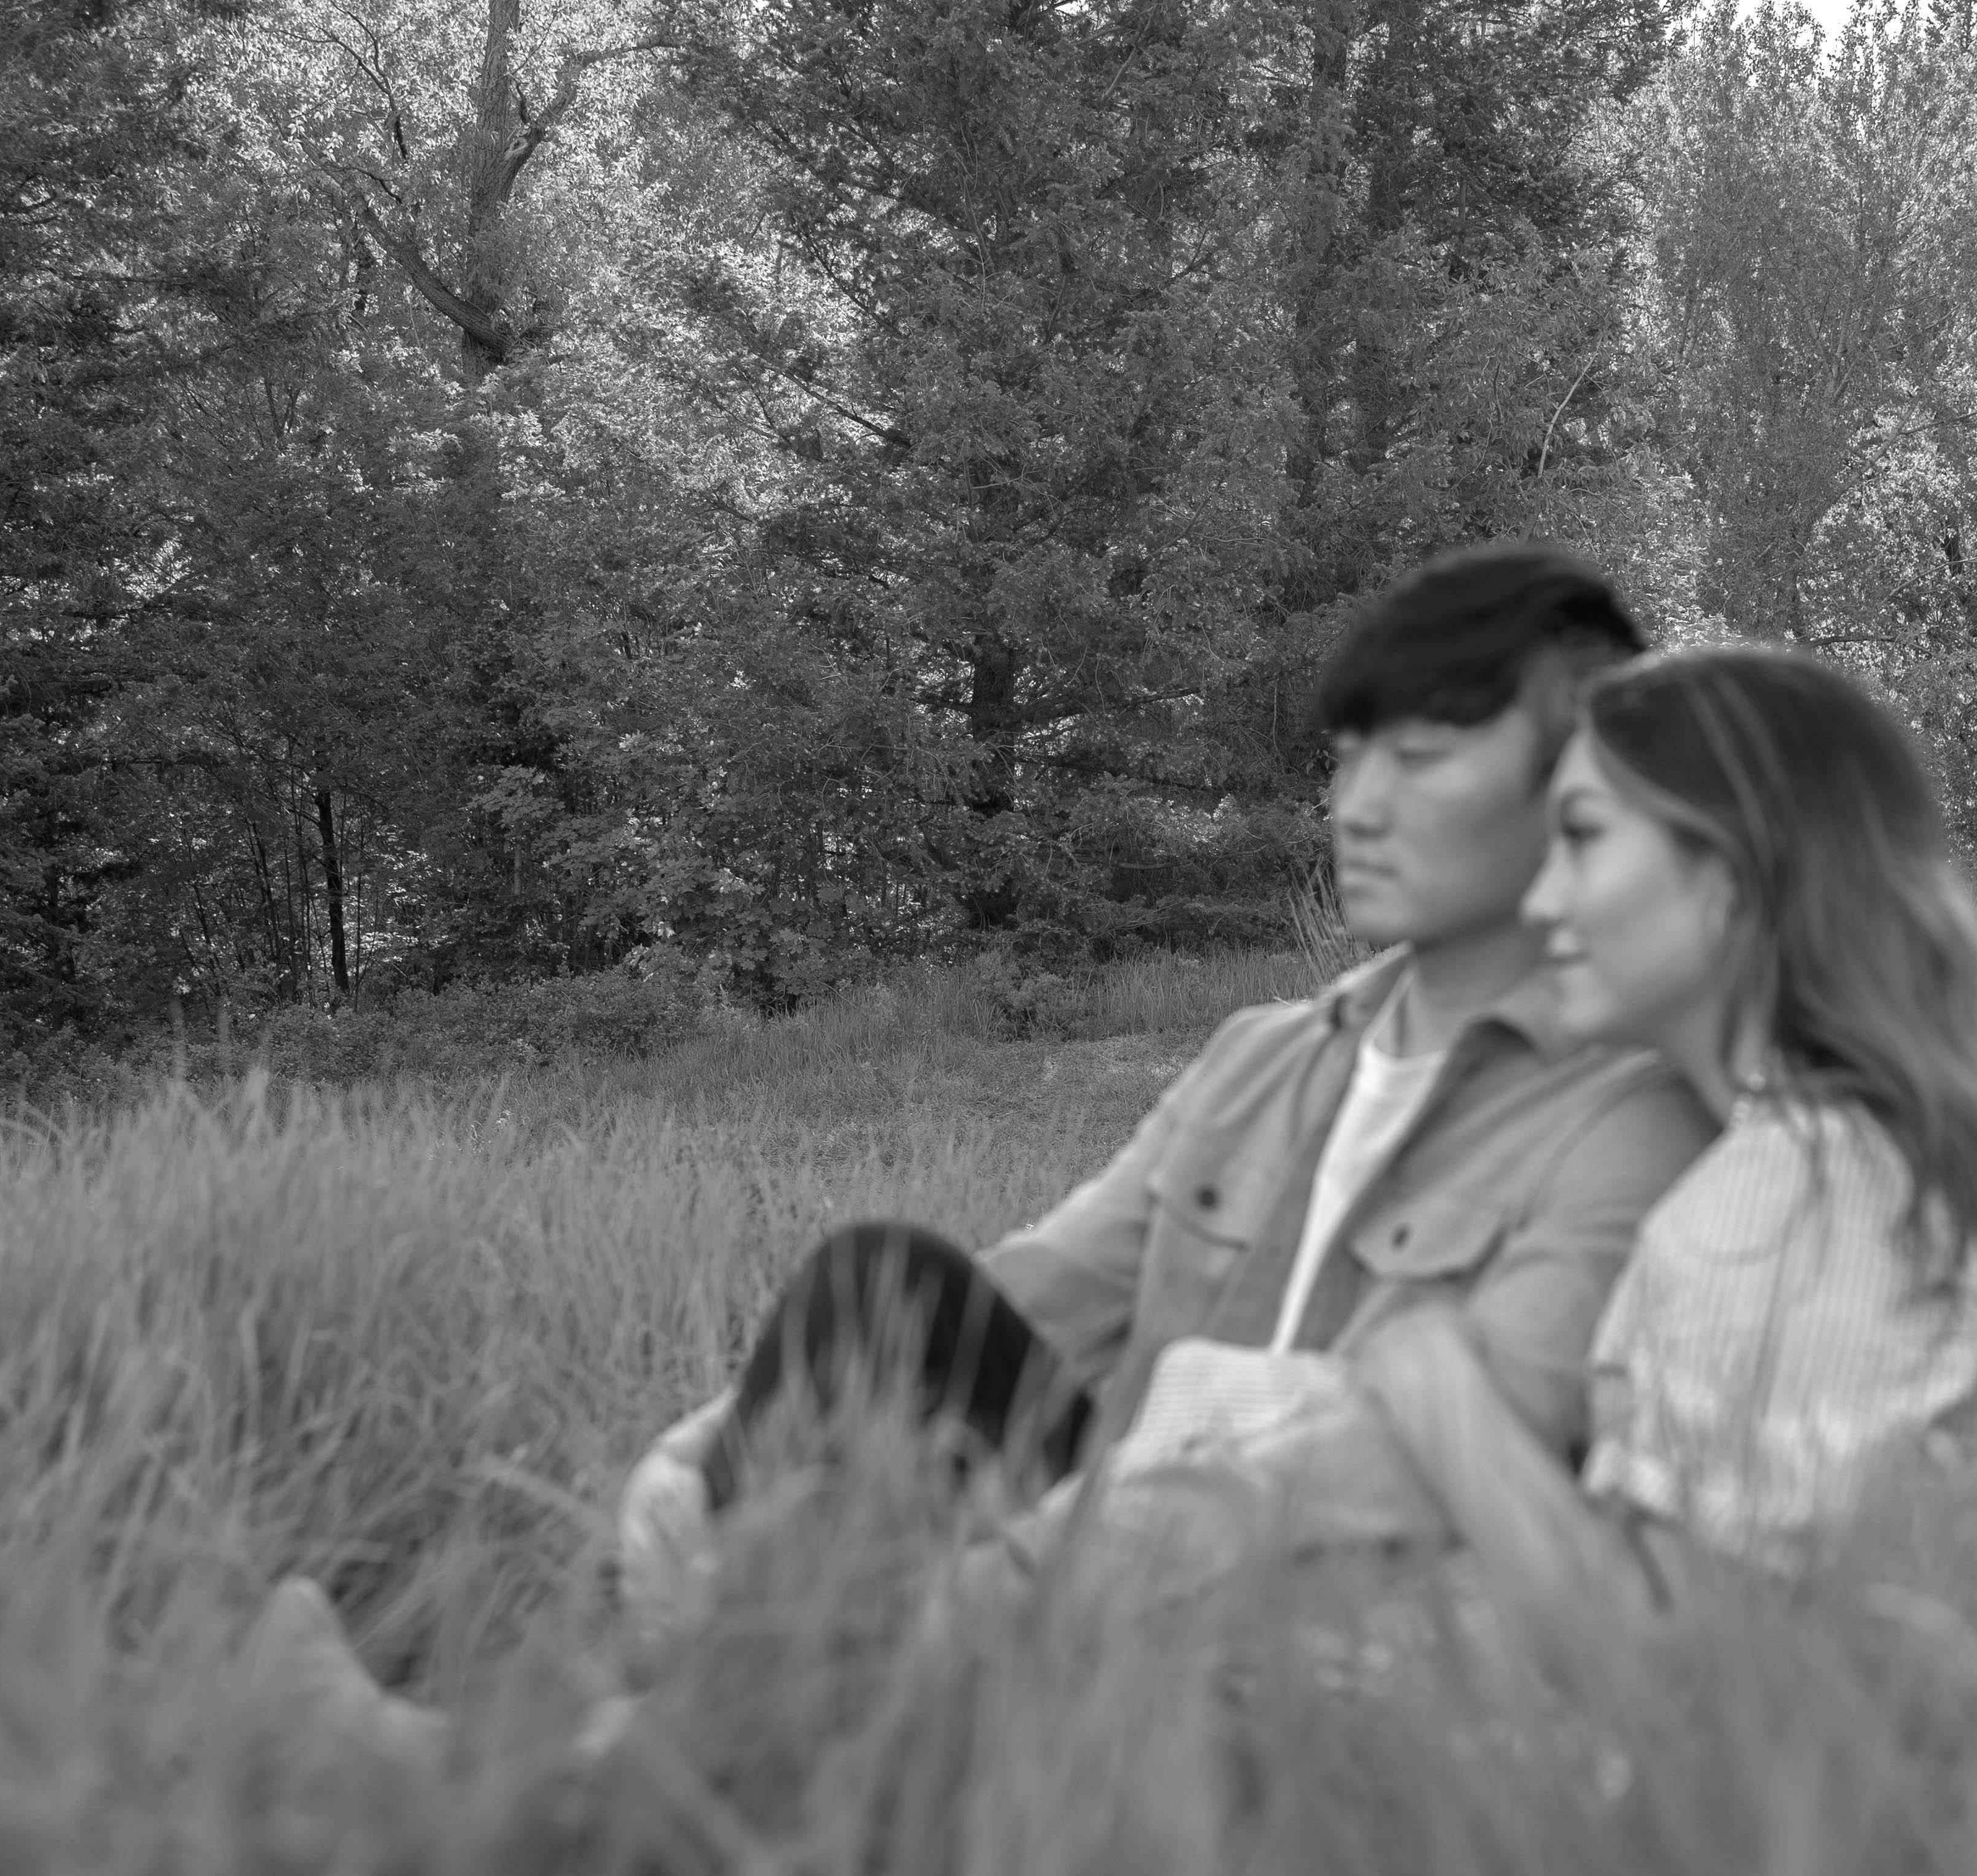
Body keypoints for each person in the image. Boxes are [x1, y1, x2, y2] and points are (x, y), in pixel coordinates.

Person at [610, 539, 1720, 1625]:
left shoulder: (1629, 1120)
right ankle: (684, 1657)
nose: (1356, 806)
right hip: (1087, 1531)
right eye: (1348, 757)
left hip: (1313, 1618)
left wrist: (966, 1601)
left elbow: (1415, 1463)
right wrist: (696, 1453)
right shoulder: (1266, 1053)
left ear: (1577, 791)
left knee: (830, 1631)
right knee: (879, 1287)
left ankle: (745, 1683)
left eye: (1419, 759)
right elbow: (1049, 1283)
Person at [1071, 644, 1977, 1636]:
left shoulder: (1787, 1193)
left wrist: (1435, 1382)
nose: (1541, 896)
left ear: (1731, 872)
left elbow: (1670, 1648)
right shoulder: (1850, 1153)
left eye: (1583, 837)